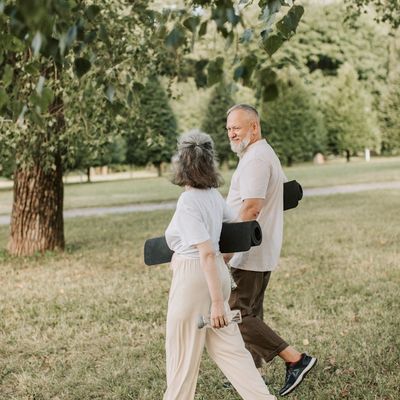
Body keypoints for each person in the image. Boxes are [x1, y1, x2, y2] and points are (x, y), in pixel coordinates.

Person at [163, 129, 276, 400]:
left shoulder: (188, 201)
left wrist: (215, 303)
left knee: (181, 357)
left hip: (195, 280)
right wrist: (220, 268)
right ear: (209, 163)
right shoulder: (213, 196)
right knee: (232, 352)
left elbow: (204, 252)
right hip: (216, 276)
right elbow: (233, 229)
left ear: (182, 164)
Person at [225, 104, 317, 397]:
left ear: (254, 126)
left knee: (235, 313)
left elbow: (251, 207)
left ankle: (295, 358)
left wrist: (225, 250)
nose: (231, 133)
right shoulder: (262, 154)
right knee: (250, 312)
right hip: (260, 249)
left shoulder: (255, 159)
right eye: (228, 129)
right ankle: (249, 373)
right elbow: (285, 195)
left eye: (237, 127)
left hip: (248, 250)